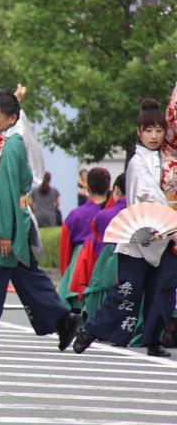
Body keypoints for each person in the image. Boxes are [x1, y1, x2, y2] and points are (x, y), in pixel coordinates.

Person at [0, 86, 80, 352]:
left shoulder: (9, 146)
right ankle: (63, 320)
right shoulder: (3, 139)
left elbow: (7, 190)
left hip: (4, 223)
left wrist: (3, 232)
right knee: (27, 276)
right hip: (3, 219)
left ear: (12, 118)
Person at [74, 98, 177, 357]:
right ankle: (91, 330)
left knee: (162, 289)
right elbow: (144, 195)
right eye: (148, 130)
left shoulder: (168, 159)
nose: (154, 136)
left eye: (159, 130)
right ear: (139, 132)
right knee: (128, 292)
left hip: (167, 235)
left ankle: (154, 339)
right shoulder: (137, 161)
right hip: (141, 234)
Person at [72, 173, 126, 319]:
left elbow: (67, 247)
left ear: (116, 190)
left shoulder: (99, 216)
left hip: (102, 264)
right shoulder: (139, 214)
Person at [57, 167, 111, 310]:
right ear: (109, 187)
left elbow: (65, 251)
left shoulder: (75, 215)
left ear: (87, 187)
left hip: (78, 267)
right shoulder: (111, 214)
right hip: (105, 267)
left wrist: (66, 277)